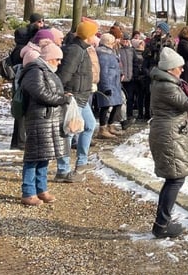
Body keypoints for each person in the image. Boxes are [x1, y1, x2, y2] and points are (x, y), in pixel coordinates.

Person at [148, 46, 188, 238]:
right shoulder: (166, 86)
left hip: (172, 133)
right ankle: (161, 225)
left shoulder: (168, 82)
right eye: (179, 67)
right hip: (169, 135)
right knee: (175, 179)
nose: (182, 70)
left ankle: (162, 222)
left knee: (174, 178)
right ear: (170, 69)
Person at [18, 42, 71, 206]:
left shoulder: (46, 71)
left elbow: (50, 92)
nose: (59, 62)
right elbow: (41, 94)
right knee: (33, 157)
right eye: (57, 59)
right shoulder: (35, 71)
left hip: (48, 119)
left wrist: (64, 95)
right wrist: (62, 99)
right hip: (38, 119)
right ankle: (28, 192)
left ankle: (41, 189)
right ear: (48, 58)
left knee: (44, 156)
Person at [55, 20, 100, 182]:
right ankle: (63, 169)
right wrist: (63, 93)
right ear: (88, 36)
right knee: (68, 131)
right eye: (94, 33)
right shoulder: (75, 50)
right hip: (74, 97)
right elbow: (65, 75)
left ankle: (82, 162)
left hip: (83, 96)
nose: (96, 37)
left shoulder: (83, 49)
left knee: (89, 125)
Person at [95, 33, 125, 139]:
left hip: (115, 83)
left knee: (118, 104)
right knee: (105, 106)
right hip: (108, 83)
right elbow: (103, 72)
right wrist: (106, 87)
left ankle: (110, 125)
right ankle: (102, 129)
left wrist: (120, 73)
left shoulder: (111, 53)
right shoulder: (103, 54)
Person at [118, 32, 138, 129]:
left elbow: (135, 63)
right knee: (122, 99)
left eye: (127, 40)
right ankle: (122, 116)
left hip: (130, 78)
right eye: (124, 40)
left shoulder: (131, 51)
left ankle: (129, 115)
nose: (125, 42)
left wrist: (135, 74)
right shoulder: (118, 50)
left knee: (130, 98)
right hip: (121, 79)